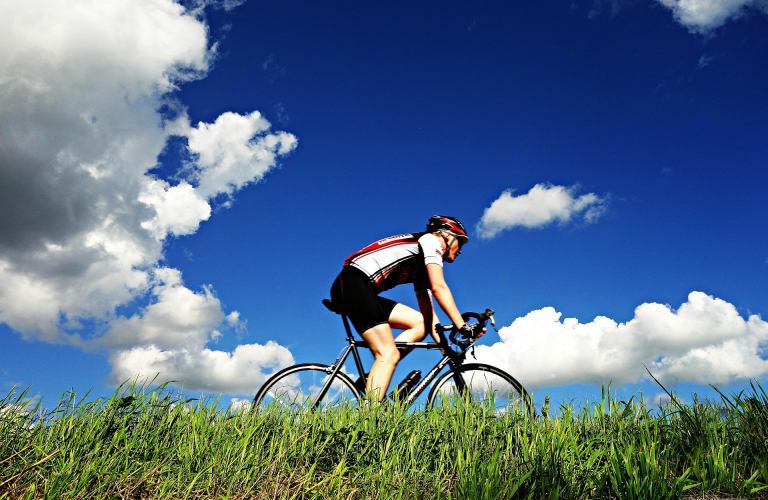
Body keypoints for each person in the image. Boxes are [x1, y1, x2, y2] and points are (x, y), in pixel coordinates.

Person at [330, 215, 484, 401]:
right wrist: (462, 326)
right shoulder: (431, 240)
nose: (460, 250)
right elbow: (439, 287)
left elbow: (428, 315)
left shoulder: (421, 265)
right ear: (447, 236)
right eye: (460, 242)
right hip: (353, 283)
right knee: (388, 354)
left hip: (358, 287)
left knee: (419, 323)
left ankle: (373, 376)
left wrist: (443, 345)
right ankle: (369, 420)